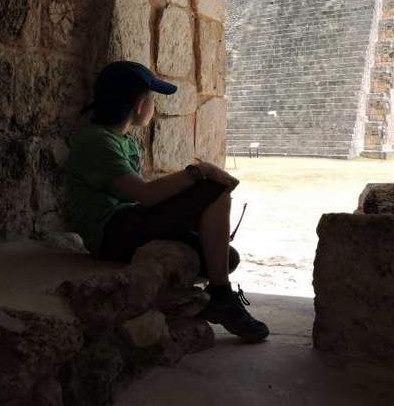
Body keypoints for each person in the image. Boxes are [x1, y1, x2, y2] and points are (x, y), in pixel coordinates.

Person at [63, 60, 269, 343]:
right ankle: (221, 296)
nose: (153, 107)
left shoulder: (123, 141)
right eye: (152, 99)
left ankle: (217, 292)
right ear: (139, 103)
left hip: (128, 222)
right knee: (214, 189)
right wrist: (199, 172)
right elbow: (145, 195)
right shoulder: (97, 142)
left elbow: (142, 195)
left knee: (225, 257)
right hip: (110, 233)